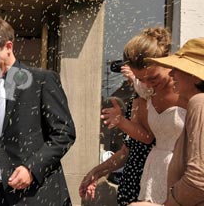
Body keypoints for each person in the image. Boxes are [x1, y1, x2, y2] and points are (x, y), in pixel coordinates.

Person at [0, 18, 76, 206]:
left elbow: (64, 133)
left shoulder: (43, 80)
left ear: (8, 46)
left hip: (36, 194)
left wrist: (32, 168)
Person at [100, 27, 186, 204]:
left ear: (166, 61)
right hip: (155, 169)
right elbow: (147, 137)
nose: (147, 84)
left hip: (183, 170)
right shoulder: (144, 88)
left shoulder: (189, 87)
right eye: (141, 79)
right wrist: (121, 122)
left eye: (152, 78)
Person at [129, 37, 204, 206]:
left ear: (196, 78)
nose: (171, 73)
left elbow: (199, 179)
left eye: (178, 69)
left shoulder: (200, 103)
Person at [79, 63, 153, 205]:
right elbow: (127, 149)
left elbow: (147, 137)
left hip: (150, 180)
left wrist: (137, 84)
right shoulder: (134, 99)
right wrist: (97, 172)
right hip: (131, 182)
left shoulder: (156, 100)